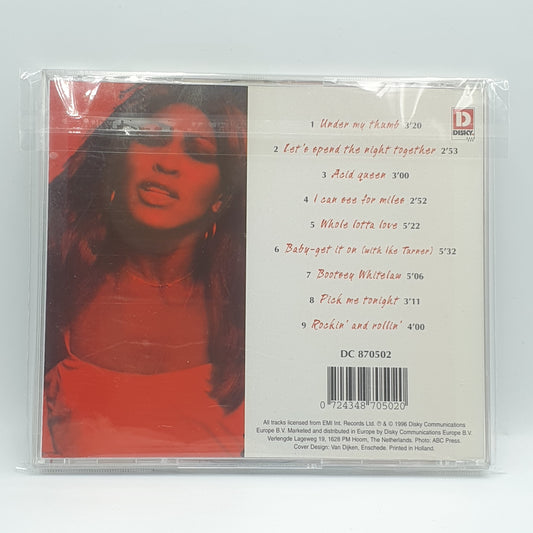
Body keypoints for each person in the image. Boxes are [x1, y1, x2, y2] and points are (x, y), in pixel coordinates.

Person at [42, 83, 247, 457]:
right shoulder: (55, 288)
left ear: (221, 197)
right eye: (152, 139)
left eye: (198, 153)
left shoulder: (248, 310)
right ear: (121, 160)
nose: (167, 163)